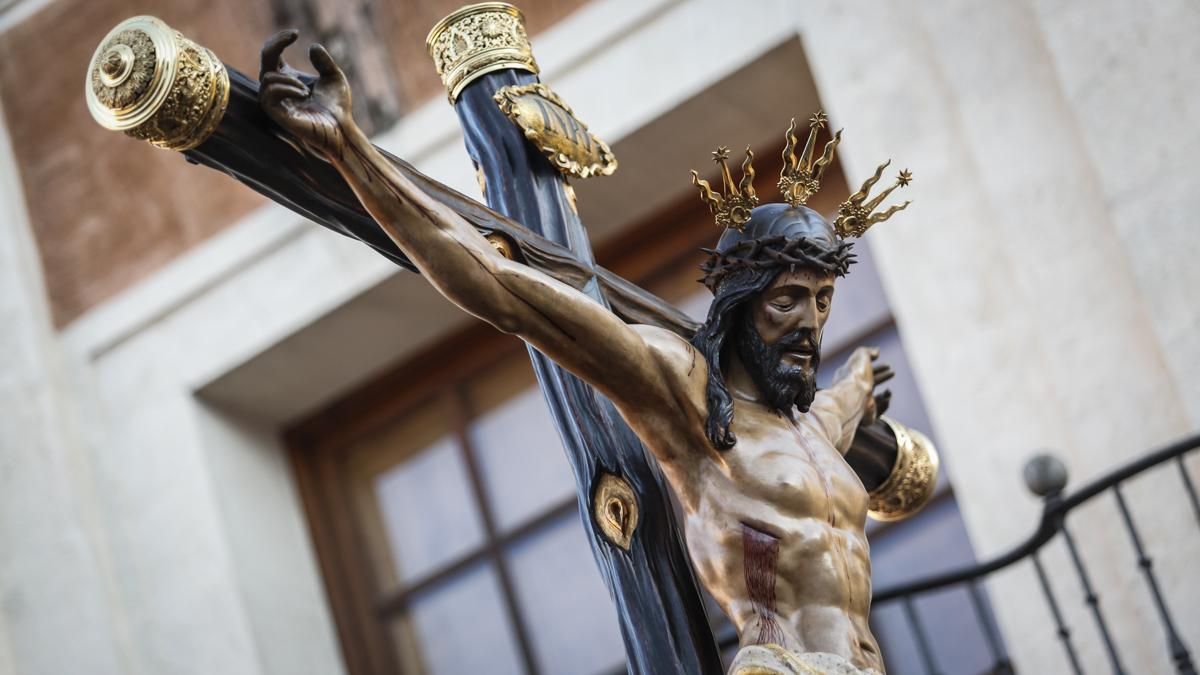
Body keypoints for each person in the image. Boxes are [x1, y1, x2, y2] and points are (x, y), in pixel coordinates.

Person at [258, 32, 916, 675]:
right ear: (742, 301)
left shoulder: (812, 425)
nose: (810, 323)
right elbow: (499, 285)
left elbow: (838, 404)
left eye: (823, 301)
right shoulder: (685, 392)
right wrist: (349, 150)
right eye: (788, 299)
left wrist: (858, 384)